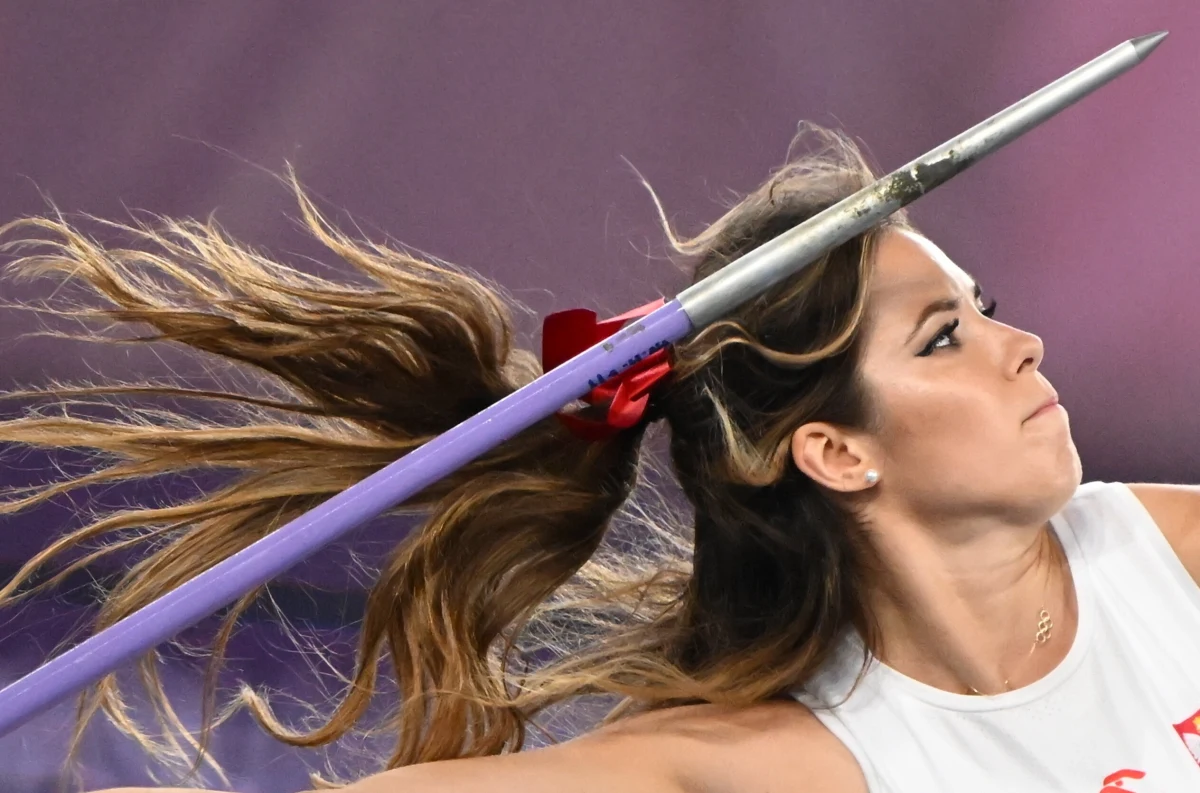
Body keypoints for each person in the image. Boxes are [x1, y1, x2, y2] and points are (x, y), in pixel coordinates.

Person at [3, 126, 1198, 793]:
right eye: (948, 335)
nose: (1023, 344)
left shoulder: (1172, 559)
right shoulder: (800, 763)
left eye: (984, 308)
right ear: (833, 451)